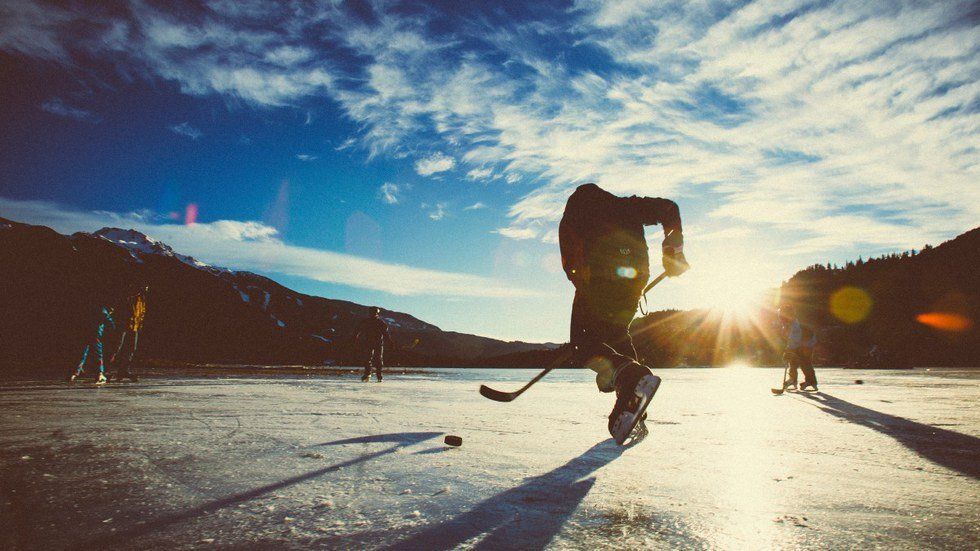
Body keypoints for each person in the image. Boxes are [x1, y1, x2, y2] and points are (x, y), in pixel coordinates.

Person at [558, 183, 689, 444]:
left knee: (583, 346)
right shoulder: (626, 205)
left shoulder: (576, 214)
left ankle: (628, 378)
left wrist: (582, 282)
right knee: (616, 337)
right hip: (634, 278)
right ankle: (630, 402)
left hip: (599, 277)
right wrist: (673, 252)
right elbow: (669, 209)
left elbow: (571, 257)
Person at [69, 305, 116, 385]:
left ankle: (74, 373)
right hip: (95, 335)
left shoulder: (90, 308)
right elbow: (111, 324)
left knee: (83, 353)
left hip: (85, 333)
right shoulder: (104, 311)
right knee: (98, 355)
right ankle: (99, 375)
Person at [110, 284, 148, 382]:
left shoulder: (141, 298)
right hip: (124, 324)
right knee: (117, 346)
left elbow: (141, 312)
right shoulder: (130, 295)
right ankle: (105, 370)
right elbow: (120, 308)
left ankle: (123, 370)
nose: (146, 288)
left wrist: (139, 325)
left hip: (134, 326)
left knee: (131, 348)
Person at [780, 304, 818, 391]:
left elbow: (795, 339)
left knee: (805, 362)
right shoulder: (788, 324)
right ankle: (793, 379)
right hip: (801, 344)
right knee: (793, 362)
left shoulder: (795, 324)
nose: (781, 318)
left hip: (807, 344)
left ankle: (811, 381)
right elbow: (790, 339)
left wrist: (788, 350)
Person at [354, 307, 393, 382]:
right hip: (368, 342)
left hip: (378, 343)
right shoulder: (365, 322)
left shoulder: (381, 323)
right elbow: (358, 330)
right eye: (372, 313)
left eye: (375, 313)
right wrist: (355, 337)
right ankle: (368, 373)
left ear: (377, 314)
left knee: (377, 358)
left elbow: (386, 334)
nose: (373, 315)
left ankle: (379, 374)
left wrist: (389, 342)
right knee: (367, 358)